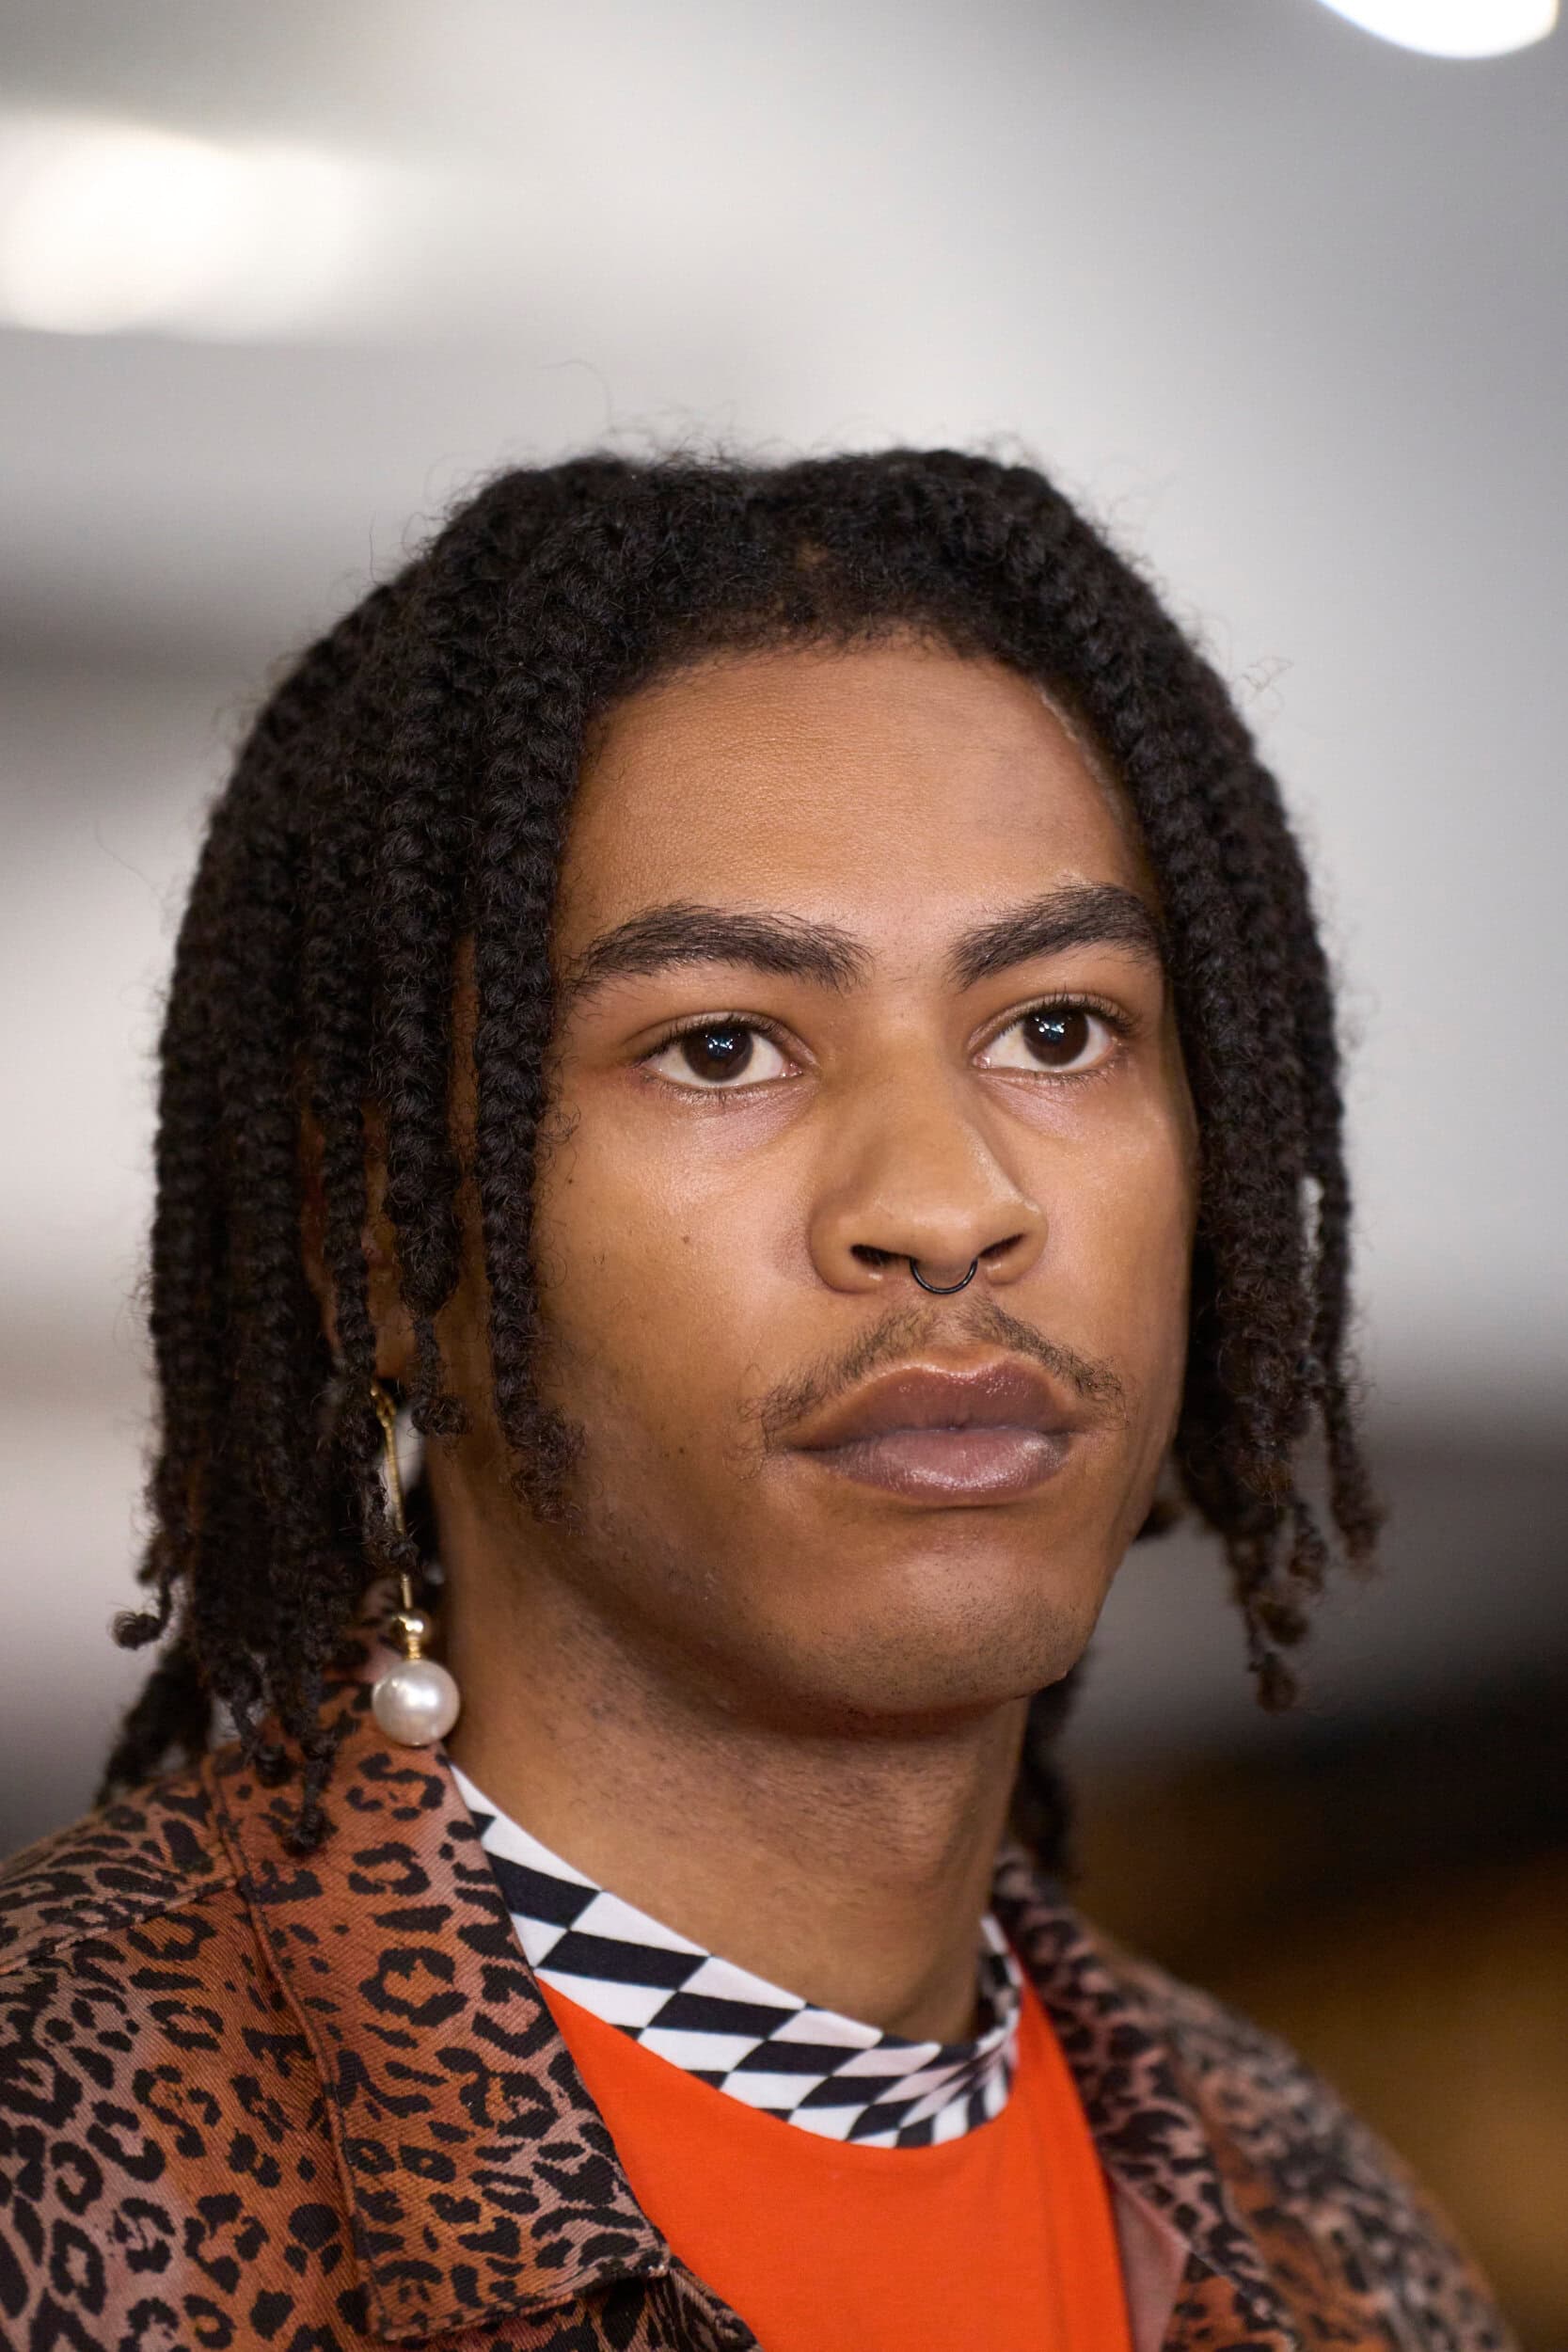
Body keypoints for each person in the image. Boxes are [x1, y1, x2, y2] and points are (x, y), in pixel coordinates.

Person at [0, 449, 1512, 2352]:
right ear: (375, 1237)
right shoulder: (68, 2142)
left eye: (1057, 1028)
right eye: (722, 1046)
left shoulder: (1332, 2248)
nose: (949, 1204)